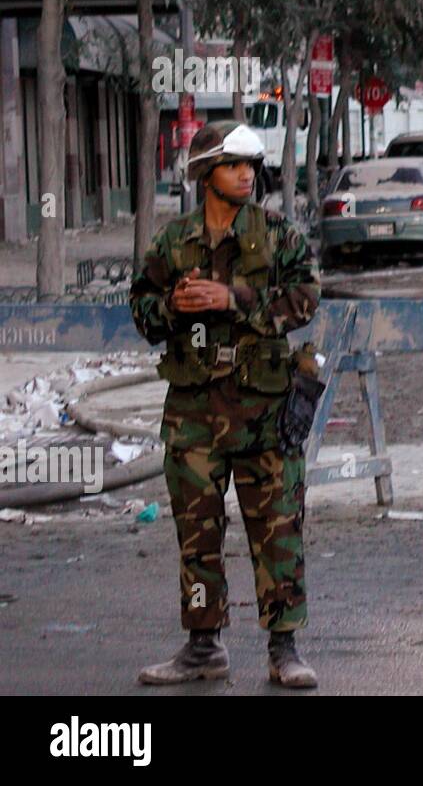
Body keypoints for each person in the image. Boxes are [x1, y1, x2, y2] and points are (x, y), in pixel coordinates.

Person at [130, 121, 321, 688]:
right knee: (197, 536)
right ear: (204, 173)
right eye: (234, 165)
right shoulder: (174, 240)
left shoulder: (278, 233)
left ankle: (283, 648)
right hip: (192, 413)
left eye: (251, 166)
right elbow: (141, 310)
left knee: (277, 530)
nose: (246, 174)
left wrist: (233, 298)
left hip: (263, 409)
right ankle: (202, 646)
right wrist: (175, 306)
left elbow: (306, 298)